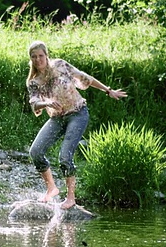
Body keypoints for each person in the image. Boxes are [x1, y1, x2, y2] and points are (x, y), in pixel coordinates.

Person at [25, 40, 127, 209]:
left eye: (41, 56)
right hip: (57, 118)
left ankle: (71, 198)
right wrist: (47, 103)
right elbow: (34, 103)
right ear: (31, 59)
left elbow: (84, 77)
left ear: (46, 55)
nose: (38, 60)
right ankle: (51, 188)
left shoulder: (60, 66)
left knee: (65, 156)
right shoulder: (33, 81)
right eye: (34, 57)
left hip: (77, 113)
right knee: (35, 151)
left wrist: (108, 90)